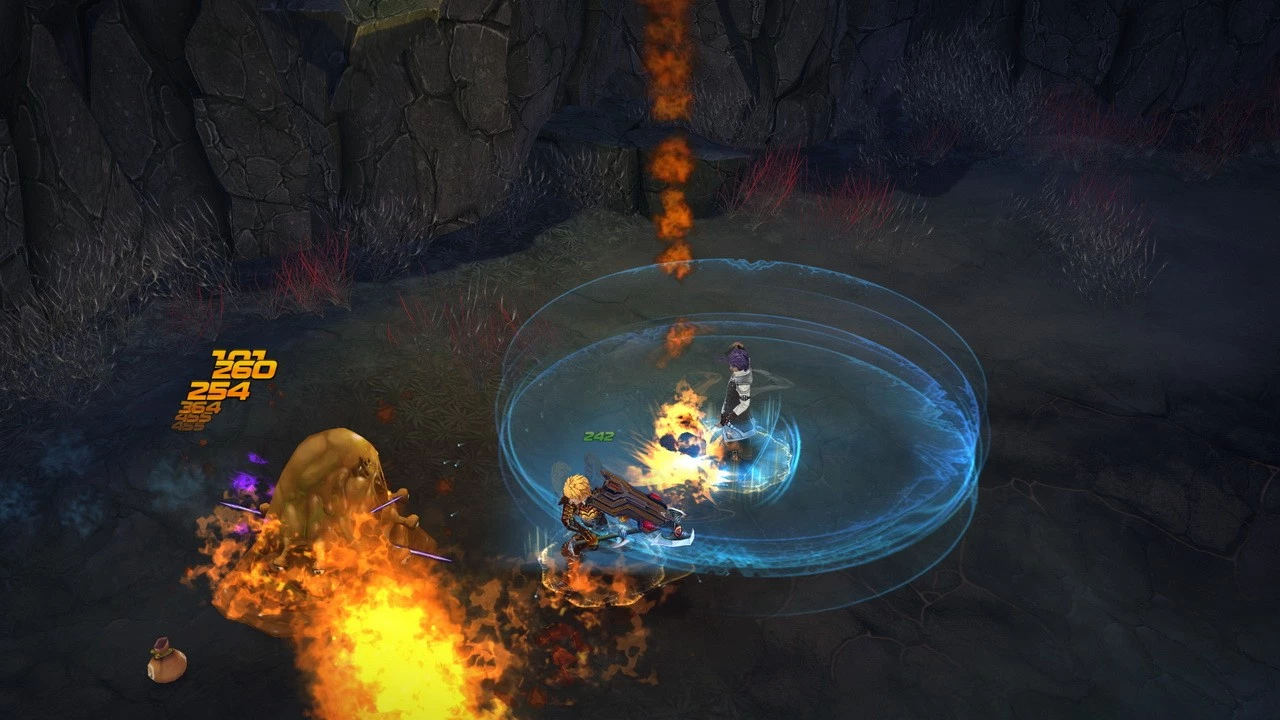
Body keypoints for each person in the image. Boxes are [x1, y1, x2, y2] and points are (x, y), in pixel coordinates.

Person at [717, 343, 757, 458]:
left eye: (732, 366)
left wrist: (726, 419)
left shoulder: (743, 383)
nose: (730, 368)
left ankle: (744, 454)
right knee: (734, 437)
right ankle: (741, 451)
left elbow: (744, 404)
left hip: (738, 419)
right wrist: (739, 348)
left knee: (735, 438)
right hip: (733, 415)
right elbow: (745, 357)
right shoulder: (744, 366)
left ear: (739, 366)